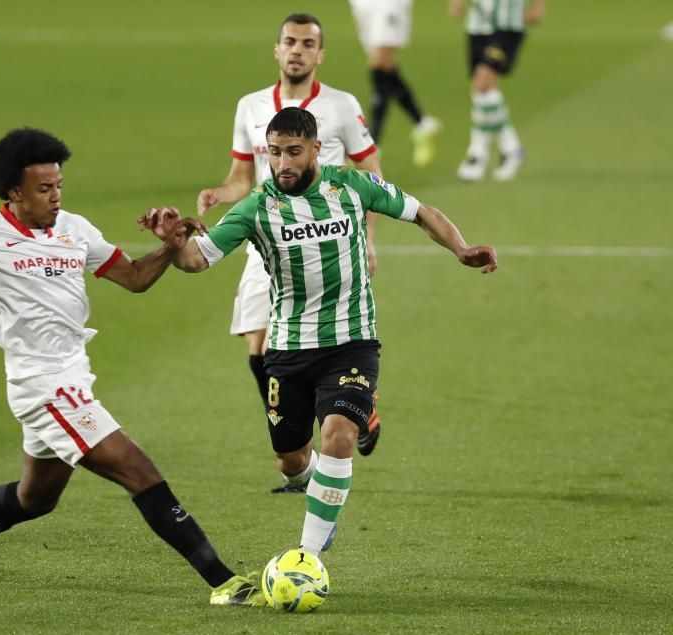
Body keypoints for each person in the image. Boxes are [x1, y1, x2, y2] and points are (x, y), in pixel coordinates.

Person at [0, 128, 263, 606]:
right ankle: (225, 584)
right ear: (14, 192)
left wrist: (169, 247)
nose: (55, 196)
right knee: (137, 469)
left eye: (59, 186)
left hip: (75, 377)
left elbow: (134, 278)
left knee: (34, 499)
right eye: (44, 188)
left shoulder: (75, 228)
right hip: (42, 386)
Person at [153, 107, 497, 554]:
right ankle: (323, 495)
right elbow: (196, 260)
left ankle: (308, 558)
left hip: (351, 342)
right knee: (291, 462)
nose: (282, 163)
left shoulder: (353, 186)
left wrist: (461, 249)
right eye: (274, 152)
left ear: (316, 148)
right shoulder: (257, 207)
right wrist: (173, 243)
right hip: (289, 349)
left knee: (339, 435)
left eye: (293, 152)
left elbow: (421, 212)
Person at [197, 13, 386, 495]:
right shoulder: (251, 106)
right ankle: (297, 448)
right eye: (289, 42)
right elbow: (242, 177)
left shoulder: (341, 105)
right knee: (258, 346)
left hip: (327, 239)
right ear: (277, 50)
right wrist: (220, 194)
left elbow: (370, 171)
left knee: (324, 338)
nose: (297, 50)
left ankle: (352, 403)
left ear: (320, 54)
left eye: (307, 43)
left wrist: (368, 237)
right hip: (270, 238)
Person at [451, 0, 545, 181]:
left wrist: (538, 6)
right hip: (477, 23)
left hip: (507, 24)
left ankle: (477, 153)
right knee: (483, 93)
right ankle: (511, 148)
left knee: (482, 84)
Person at [349, 0, 442, 166]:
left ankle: (372, 143)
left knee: (379, 64)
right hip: (363, 5)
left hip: (388, 5)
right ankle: (422, 123)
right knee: (386, 69)